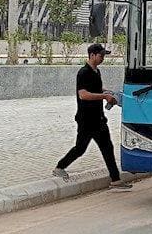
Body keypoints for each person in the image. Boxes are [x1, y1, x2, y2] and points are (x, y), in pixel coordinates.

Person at [53, 43, 131, 190]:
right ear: (92, 55)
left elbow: (95, 89)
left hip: (98, 119)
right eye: (101, 55)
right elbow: (83, 94)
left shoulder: (96, 72)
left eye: (103, 56)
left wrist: (108, 92)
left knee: (107, 147)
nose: (102, 58)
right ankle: (59, 167)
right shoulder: (83, 73)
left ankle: (115, 179)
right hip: (87, 120)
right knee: (80, 148)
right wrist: (104, 96)